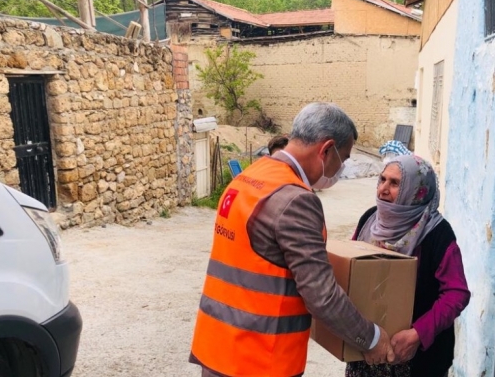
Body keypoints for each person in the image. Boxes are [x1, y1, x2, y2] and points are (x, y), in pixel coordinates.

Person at [189, 102, 395, 377]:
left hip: (218, 349)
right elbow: (321, 296)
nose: (341, 168)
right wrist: (371, 338)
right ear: (326, 149)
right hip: (259, 361)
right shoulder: (296, 200)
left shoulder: (250, 177)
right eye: (343, 158)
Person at [346, 154, 470, 377]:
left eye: (395, 183)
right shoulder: (370, 220)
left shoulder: (436, 233)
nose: (383, 189)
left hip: (418, 357)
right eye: (382, 179)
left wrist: (418, 334)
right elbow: (351, 268)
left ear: (418, 190)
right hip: (368, 349)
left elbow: (456, 293)